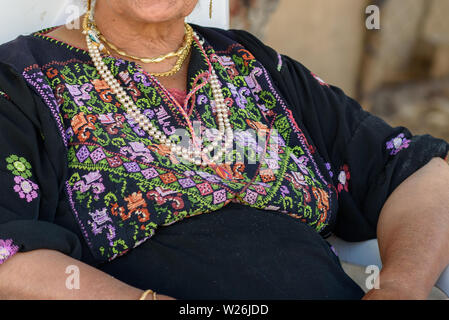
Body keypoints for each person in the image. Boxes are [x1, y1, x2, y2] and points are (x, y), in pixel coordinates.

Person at [0, 0, 448, 300]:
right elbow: (8, 255)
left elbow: (415, 169)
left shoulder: (254, 64)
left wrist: (399, 288)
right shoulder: (17, 83)